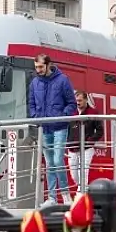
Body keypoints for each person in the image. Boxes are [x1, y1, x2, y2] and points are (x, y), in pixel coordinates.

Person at [28, 54, 77, 206]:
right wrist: (35, 116)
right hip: (44, 127)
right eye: (36, 67)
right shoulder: (34, 83)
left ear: (49, 65)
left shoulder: (63, 80)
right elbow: (31, 103)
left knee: (57, 160)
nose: (38, 70)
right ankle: (52, 198)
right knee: (49, 163)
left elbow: (72, 103)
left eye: (41, 67)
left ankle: (65, 194)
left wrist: (63, 115)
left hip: (60, 127)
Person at [67, 91, 103, 193]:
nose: (78, 103)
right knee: (74, 174)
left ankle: (81, 193)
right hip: (73, 148)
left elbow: (100, 131)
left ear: (86, 100)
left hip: (87, 148)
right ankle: (84, 189)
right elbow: (68, 129)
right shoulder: (72, 113)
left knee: (83, 171)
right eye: (76, 101)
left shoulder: (93, 113)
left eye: (80, 101)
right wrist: (68, 142)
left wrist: (90, 141)